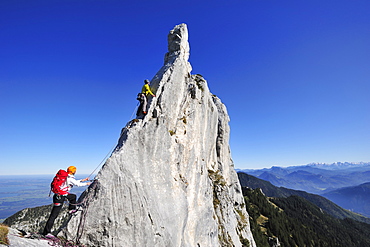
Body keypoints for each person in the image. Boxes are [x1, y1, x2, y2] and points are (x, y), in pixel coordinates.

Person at [42, 166, 91, 237]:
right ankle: (46, 233)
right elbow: (77, 184)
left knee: (73, 197)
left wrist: (83, 180)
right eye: (75, 171)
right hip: (59, 197)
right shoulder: (70, 178)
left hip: (60, 195)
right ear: (73, 171)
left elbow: (74, 182)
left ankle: (71, 209)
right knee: (53, 216)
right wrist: (87, 184)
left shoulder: (66, 176)